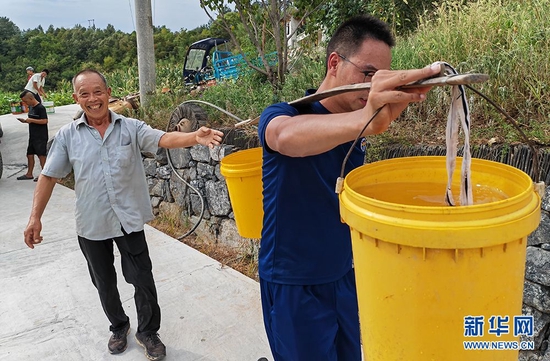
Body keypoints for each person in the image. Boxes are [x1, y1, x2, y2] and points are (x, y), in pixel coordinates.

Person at [257, 14, 441, 360]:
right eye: (367, 74)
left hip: (343, 274)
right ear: (334, 63)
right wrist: (367, 122)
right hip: (295, 281)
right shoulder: (286, 114)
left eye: (380, 78)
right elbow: (283, 137)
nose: (372, 87)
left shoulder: (360, 124)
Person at [23, 69, 224, 361]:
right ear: (76, 99)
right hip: (92, 222)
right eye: (85, 94)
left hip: (128, 219)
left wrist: (195, 136)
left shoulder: (130, 127)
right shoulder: (68, 136)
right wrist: (34, 217)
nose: (93, 99)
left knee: (142, 279)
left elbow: (164, 138)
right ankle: (119, 326)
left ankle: (147, 332)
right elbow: (48, 176)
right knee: (104, 282)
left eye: (97, 92)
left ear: (108, 92)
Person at [16, 90, 48, 181]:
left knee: (41, 155)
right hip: (33, 136)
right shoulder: (31, 107)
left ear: (31, 98)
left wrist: (31, 120)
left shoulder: (40, 108)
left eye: (26, 101)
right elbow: (31, 119)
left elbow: (45, 121)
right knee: (29, 154)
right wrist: (25, 121)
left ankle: (44, 175)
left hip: (40, 136)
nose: (25, 103)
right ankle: (29, 174)